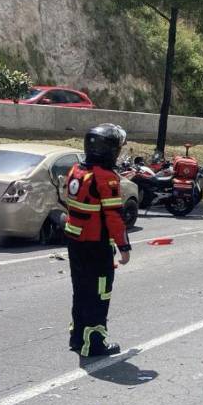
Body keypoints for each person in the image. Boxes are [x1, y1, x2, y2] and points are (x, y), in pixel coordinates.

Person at [64, 124, 131, 357]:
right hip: (96, 245)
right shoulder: (106, 178)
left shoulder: (76, 171)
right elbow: (114, 217)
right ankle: (94, 343)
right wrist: (124, 247)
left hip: (76, 242)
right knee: (100, 293)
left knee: (81, 291)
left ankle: (77, 338)